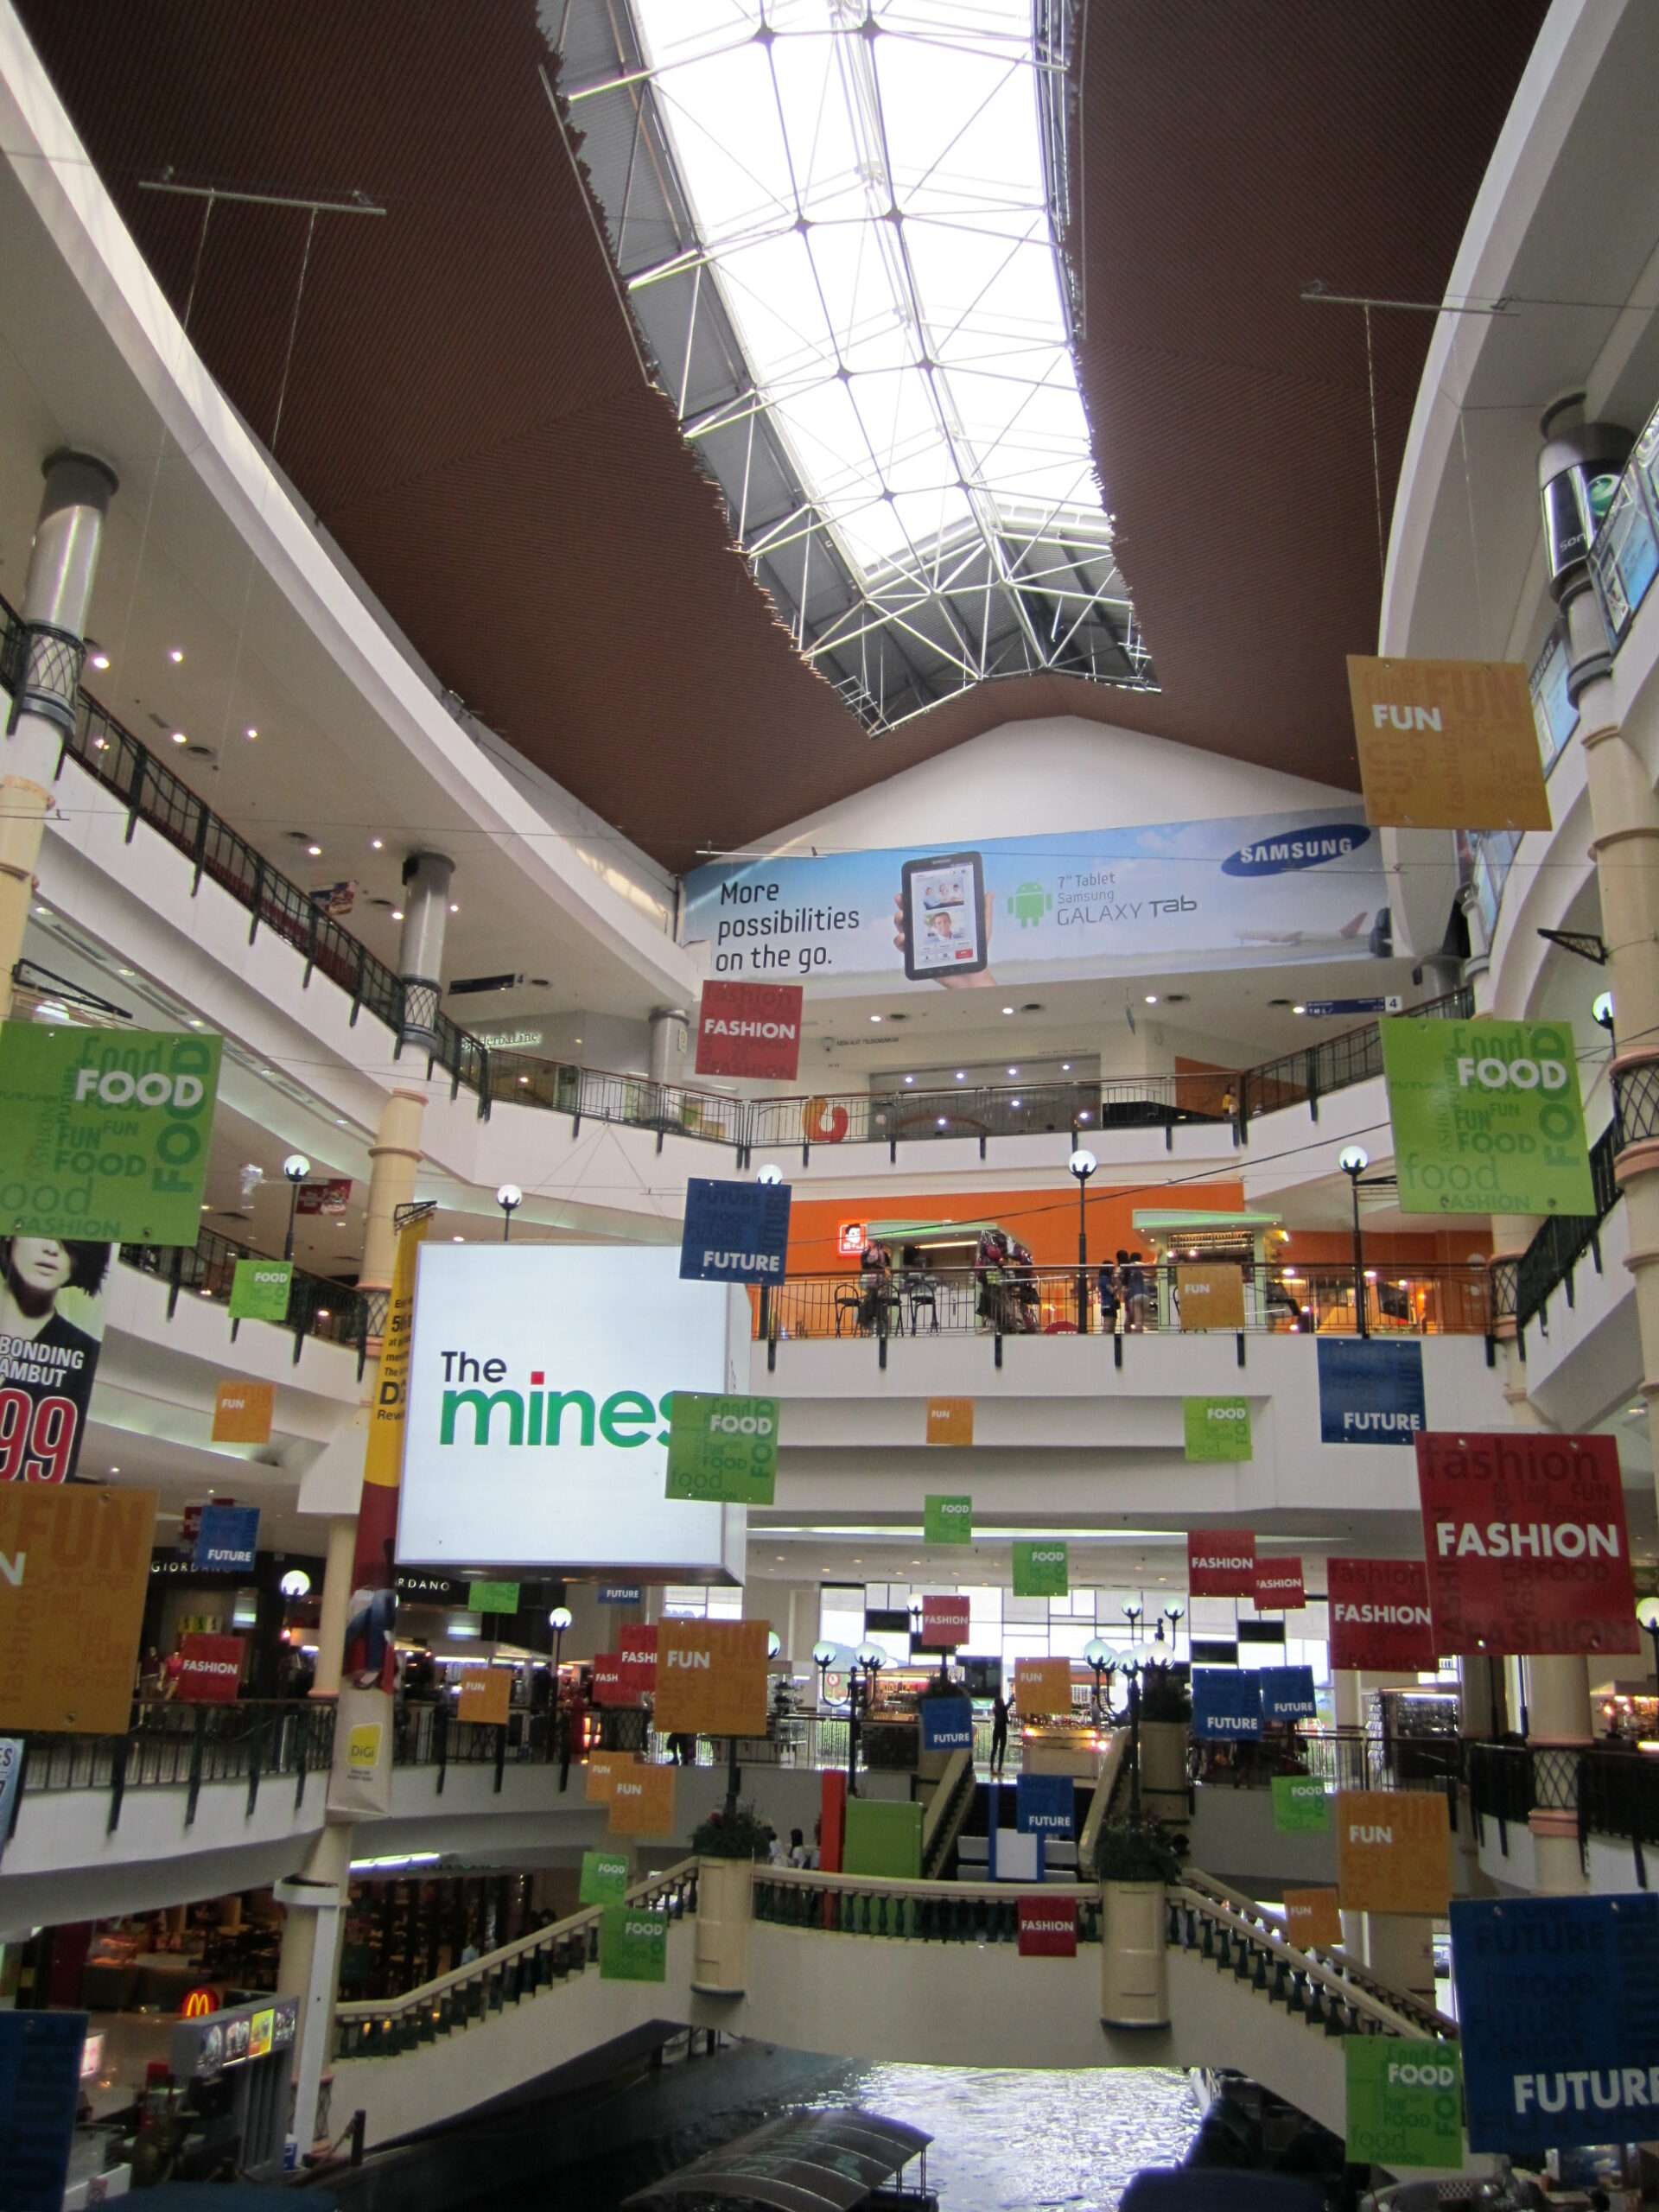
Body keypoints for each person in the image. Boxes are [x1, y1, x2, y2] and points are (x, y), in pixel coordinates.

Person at [0, 1236, 109, 1479]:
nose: (51, 1249)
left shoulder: (81, 1352)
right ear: (10, 1238)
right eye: (41, 1235)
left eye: (66, 1245)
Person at [990, 1686, 1014, 1777]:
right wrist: (1011, 1699)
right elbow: (1008, 1706)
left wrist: (1011, 1700)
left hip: (996, 1729)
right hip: (1003, 1730)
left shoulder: (995, 1710)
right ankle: (999, 1769)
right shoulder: (1003, 1709)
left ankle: (992, 1768)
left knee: (994, 1749)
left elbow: (1006, 1708)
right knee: (1001, 1750)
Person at [1096, 1257, 1120, 1334]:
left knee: (1111, 1327)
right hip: (1108, 1305)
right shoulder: (1104, 1278)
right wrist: (1117, 1285)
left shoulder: (1106, 1279)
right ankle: (1104, 1341)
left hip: (1109, 1305)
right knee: (1108, 1327)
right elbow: (1111, 1290)